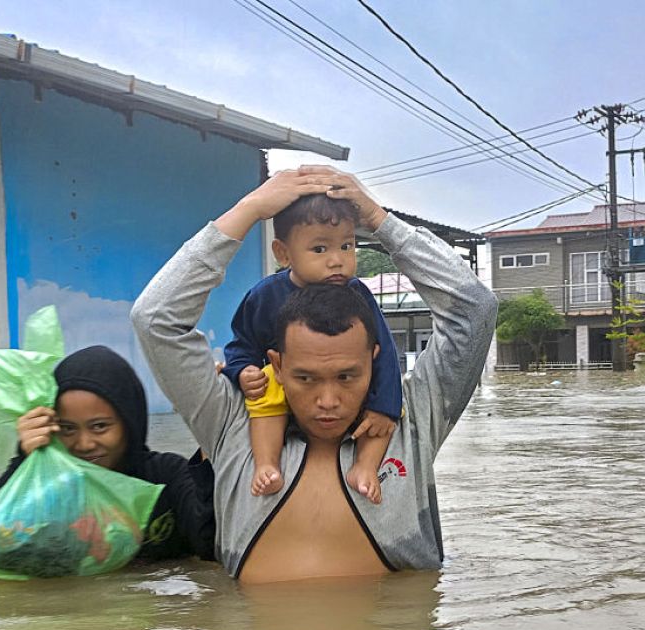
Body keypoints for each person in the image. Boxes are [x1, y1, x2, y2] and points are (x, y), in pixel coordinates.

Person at [131, 166, 498, 584]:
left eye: (348, 377)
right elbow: (154, 319)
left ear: (375, 359)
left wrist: (378, 220)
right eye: (305, 378)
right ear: (277, 365)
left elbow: (475, 310)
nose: (328, 401)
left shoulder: (406, 422)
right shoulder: (234, 423)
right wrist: (249, 209)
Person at [0, 345, 217, 571]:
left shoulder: (165, 480)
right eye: (68, 429)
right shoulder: (48, 490)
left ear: (129, 423)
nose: (84, 444)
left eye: (100, 426)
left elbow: (211, 544)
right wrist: (23, 461)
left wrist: (210, 434)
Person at [221, 193, 402, 504]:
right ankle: (267, 464)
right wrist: (242, 371)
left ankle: (365, 466)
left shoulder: (358, 295)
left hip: (350, 397)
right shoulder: (265, 295)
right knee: (266, 391)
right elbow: (242, 343)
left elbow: (384, 352)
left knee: (388, 411)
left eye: (347, 246)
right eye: (320, 249)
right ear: (283, 253)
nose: (337, 260)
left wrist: (384, 407)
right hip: (286, 389)